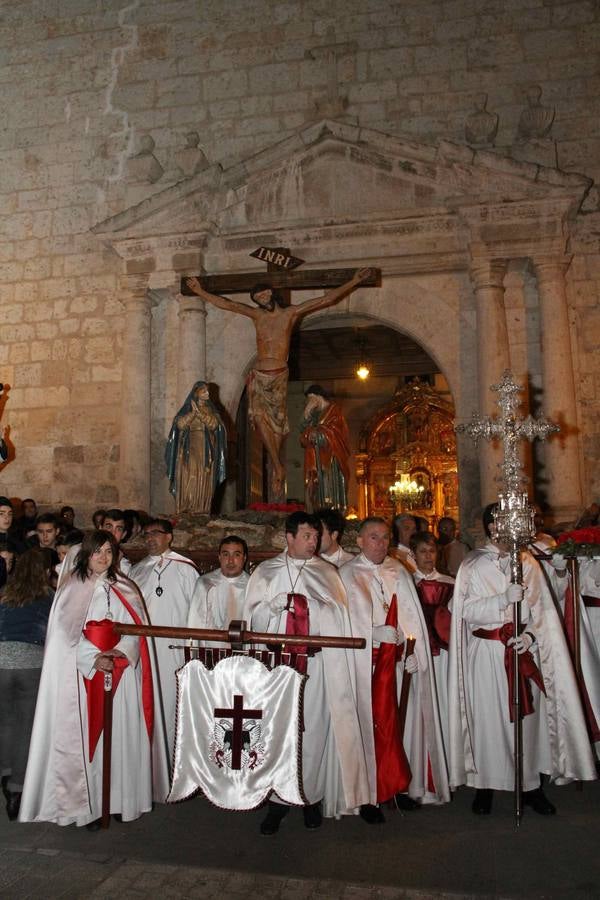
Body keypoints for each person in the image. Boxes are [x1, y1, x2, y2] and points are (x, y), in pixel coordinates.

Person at [448, 504, 597, 817]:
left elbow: (542, 608)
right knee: (489, 719)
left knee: (528, 722)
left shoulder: (527, 560)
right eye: (509, 523)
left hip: (522, 649)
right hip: (487, 652)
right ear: (492, 527)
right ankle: (484, 786)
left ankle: (530, 786)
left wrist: (529, 636)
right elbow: (464, 610)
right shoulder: (474, 564)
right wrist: (501, 600)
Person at [186, 268, 373, 495]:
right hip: (260, 373)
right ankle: (277, 465)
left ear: (272, 293)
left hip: (279, 374)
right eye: (257, 298)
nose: (262, 299)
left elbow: (326, 299)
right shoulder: (257, 316)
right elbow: (227, 304)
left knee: (277, 424)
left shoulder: (290, 314)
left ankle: (277, 466)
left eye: (264, 294)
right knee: (259, 416)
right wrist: (199, 291)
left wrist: (353, 280)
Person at [243, 511, 370, 833]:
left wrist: (310, 606)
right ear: (289, 537)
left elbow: (340, 616)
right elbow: (252, 622)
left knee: (312, 731)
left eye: (316, 536)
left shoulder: (326, 572)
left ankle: (309, 798)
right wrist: (272, 608)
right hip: (276, 667)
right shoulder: (266, 571)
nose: (313, 542)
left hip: (314, 666)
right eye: (306, 536)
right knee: (276, 732)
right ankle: (276, 801)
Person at [19, 530, 153, 829]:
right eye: (97, 552)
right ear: (86, 555)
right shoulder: (72, 588)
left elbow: (137, 630)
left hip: (121, 676)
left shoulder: (126, 586)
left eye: (108, 551)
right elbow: (63, 637)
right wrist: (94, 657)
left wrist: (120, 653)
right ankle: (88, 807)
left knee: (120, 738)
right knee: (88, 744)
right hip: (83, 678)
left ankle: (120, 800)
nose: (103, 557)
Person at [341, 518, 449, 819]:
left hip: (399, 661)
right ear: (360, 541)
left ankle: (398, 787)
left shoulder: (398, 570)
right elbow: (341, 621)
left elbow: (412, 617)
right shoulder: (346, 574)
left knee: (401, 726)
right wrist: (370, 633)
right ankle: (370, 796)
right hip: (367, 665)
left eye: (385, 538)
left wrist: (416, 654)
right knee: (371, 728)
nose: (380, 544)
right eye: (373, 538)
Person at [130, 518, 200, 801]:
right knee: (147, 708)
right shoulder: (137, 570)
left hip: (175, 651)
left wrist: (192, 650)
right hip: (144, 651)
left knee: (174, 710)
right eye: (146, 534)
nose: (150, 539)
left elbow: (196, 612)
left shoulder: (186, 569)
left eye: (156, 534)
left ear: (169, 537)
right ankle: (147, 772)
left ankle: (176, 773)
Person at [0, 549, 54, 821]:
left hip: (0, 660)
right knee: (25, 726)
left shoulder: (4, 594)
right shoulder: (49, 597)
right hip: (31, 663)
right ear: (45, 572)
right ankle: (16, 789)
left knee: (5, 721)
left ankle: (5, 771)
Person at [411, 531, 454, 753]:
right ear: (413, 554)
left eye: (432, 551)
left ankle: (445, 753)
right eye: (423, 551)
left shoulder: (449, 583)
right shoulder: (407, 582)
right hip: (417, 650)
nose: (428, 556)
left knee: (443, 699)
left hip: (444, 651)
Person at [165, 381, 227, 516]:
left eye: (208, 390)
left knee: (204, 474)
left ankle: (201, 507)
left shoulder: (211, 410)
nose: (207, 393)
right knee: (189, 473)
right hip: (189, 446)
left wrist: (200, 414)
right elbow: (180, 425)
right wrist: (193, 414)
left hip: (206, 447)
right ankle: (187, 506)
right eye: (203, 390)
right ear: (196, 392)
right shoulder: (187, 409)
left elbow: (214, 425)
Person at [300, 385, 351, 512]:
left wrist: (319, 433)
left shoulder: (334, 410)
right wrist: (306, 416)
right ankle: (315, 511)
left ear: (318, 397)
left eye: (310, 399)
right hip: (314, 458)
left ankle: (331, 512)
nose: (309, 403)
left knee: (328, 487)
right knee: (312, 488)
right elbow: (303, 433)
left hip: (331, 457)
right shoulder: (314, 414)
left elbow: (337, 432)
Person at [103, 508, 133, 575]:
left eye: (118, 529)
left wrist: (116, 564)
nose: (112, 533)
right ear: (100, 528)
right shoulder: (79, 551)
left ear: (123, 535)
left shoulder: (124, 566)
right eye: (108, 527)